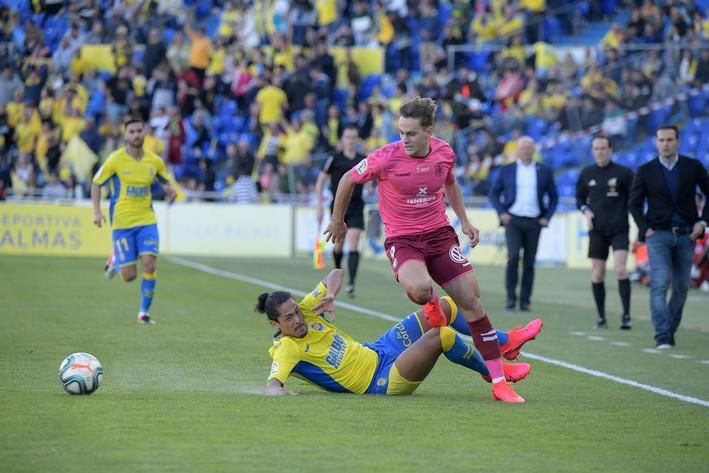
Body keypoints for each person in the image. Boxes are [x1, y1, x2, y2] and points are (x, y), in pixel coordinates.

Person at [324, 97, 526, 403]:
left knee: (472, 301)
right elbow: (347, 179)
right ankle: (432, 306)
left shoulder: (444, 152)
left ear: (428, 131)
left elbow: (451, 185)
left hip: (439, 235)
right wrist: (337, 220)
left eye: (411, 133)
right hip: (402, 240)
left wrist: (466, 222)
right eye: (401, 132)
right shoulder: (385, 156)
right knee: (420, 290)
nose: (404, 139)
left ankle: (499, 381)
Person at [258, 268, 543, 396]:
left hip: (380, 349)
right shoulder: (287, 348)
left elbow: (336, 272)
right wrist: (277, 393)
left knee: (445, 306)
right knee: (443, 336)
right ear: (276, 325)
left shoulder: (308, 310)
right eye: (289, 317)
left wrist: (331, 292)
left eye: (296, 310)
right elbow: (273, 384)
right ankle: (494, 371)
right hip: (379, 381)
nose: (297, 319)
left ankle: (505, 342)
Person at [629, 124, 709, 349]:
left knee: (682, 286)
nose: (666, 144)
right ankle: (662, 335)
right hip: (658, 235)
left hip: (687, 236)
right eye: (661, 140)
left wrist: (703, 222)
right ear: (656, 143)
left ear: (678, 141)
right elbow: (634, 204)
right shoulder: (645, 170)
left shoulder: (693, 166)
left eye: (670, 140)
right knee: (660, 283)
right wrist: (645, 228)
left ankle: (669, 329)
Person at [91, 118, 177, 325]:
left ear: (145, 132)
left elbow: (166, 183)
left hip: (147, 220)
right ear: (125, 135)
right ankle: (115, 258)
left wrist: (171, 192)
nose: (136, 134)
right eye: (132, 131)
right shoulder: (115, 159)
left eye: (139, 130)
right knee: (129, 276)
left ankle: (143, 313)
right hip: (122, 222)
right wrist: (96, 212)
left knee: (149, 263)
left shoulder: (154, 161)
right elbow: (96, 183)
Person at [488, 136, 558, 312]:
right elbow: (494, 194)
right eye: (523, 148)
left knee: (529, 262)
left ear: (534, 150)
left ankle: (525, 301)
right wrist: (502, 212)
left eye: (529, 148)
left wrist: (547, 217)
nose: (526, 151)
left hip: (535, 221)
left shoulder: (544, 170)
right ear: (517, 151)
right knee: (512, 257)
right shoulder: (507, 170)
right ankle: (510, 298)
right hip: (513, 219)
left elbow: (554, 196)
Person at [576, 135, 634, 330]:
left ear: (610, 150)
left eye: (603, 148)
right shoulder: (586, 173)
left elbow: (634, 199)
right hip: (597, 231)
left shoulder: (624, 173)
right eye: (596, 148)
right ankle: (601, 317)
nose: (599, 152)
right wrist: (586, 211)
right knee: (598, 274)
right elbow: (580, 200)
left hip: (619, 229)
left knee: (620, 269)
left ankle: (626, 316)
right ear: (592, 151)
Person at [315, 125, 366, 297]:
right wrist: (320, 205)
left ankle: (351, 283)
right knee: (338, 246)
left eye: (353, 137)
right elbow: (320, 181)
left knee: (354, 241)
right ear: (342, 140)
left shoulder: (362, 159)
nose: (350, 141)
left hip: (357, 205)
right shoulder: (334, 159)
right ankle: (337, 272)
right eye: (347, 137)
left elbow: (374, 179)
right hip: (338, 206)